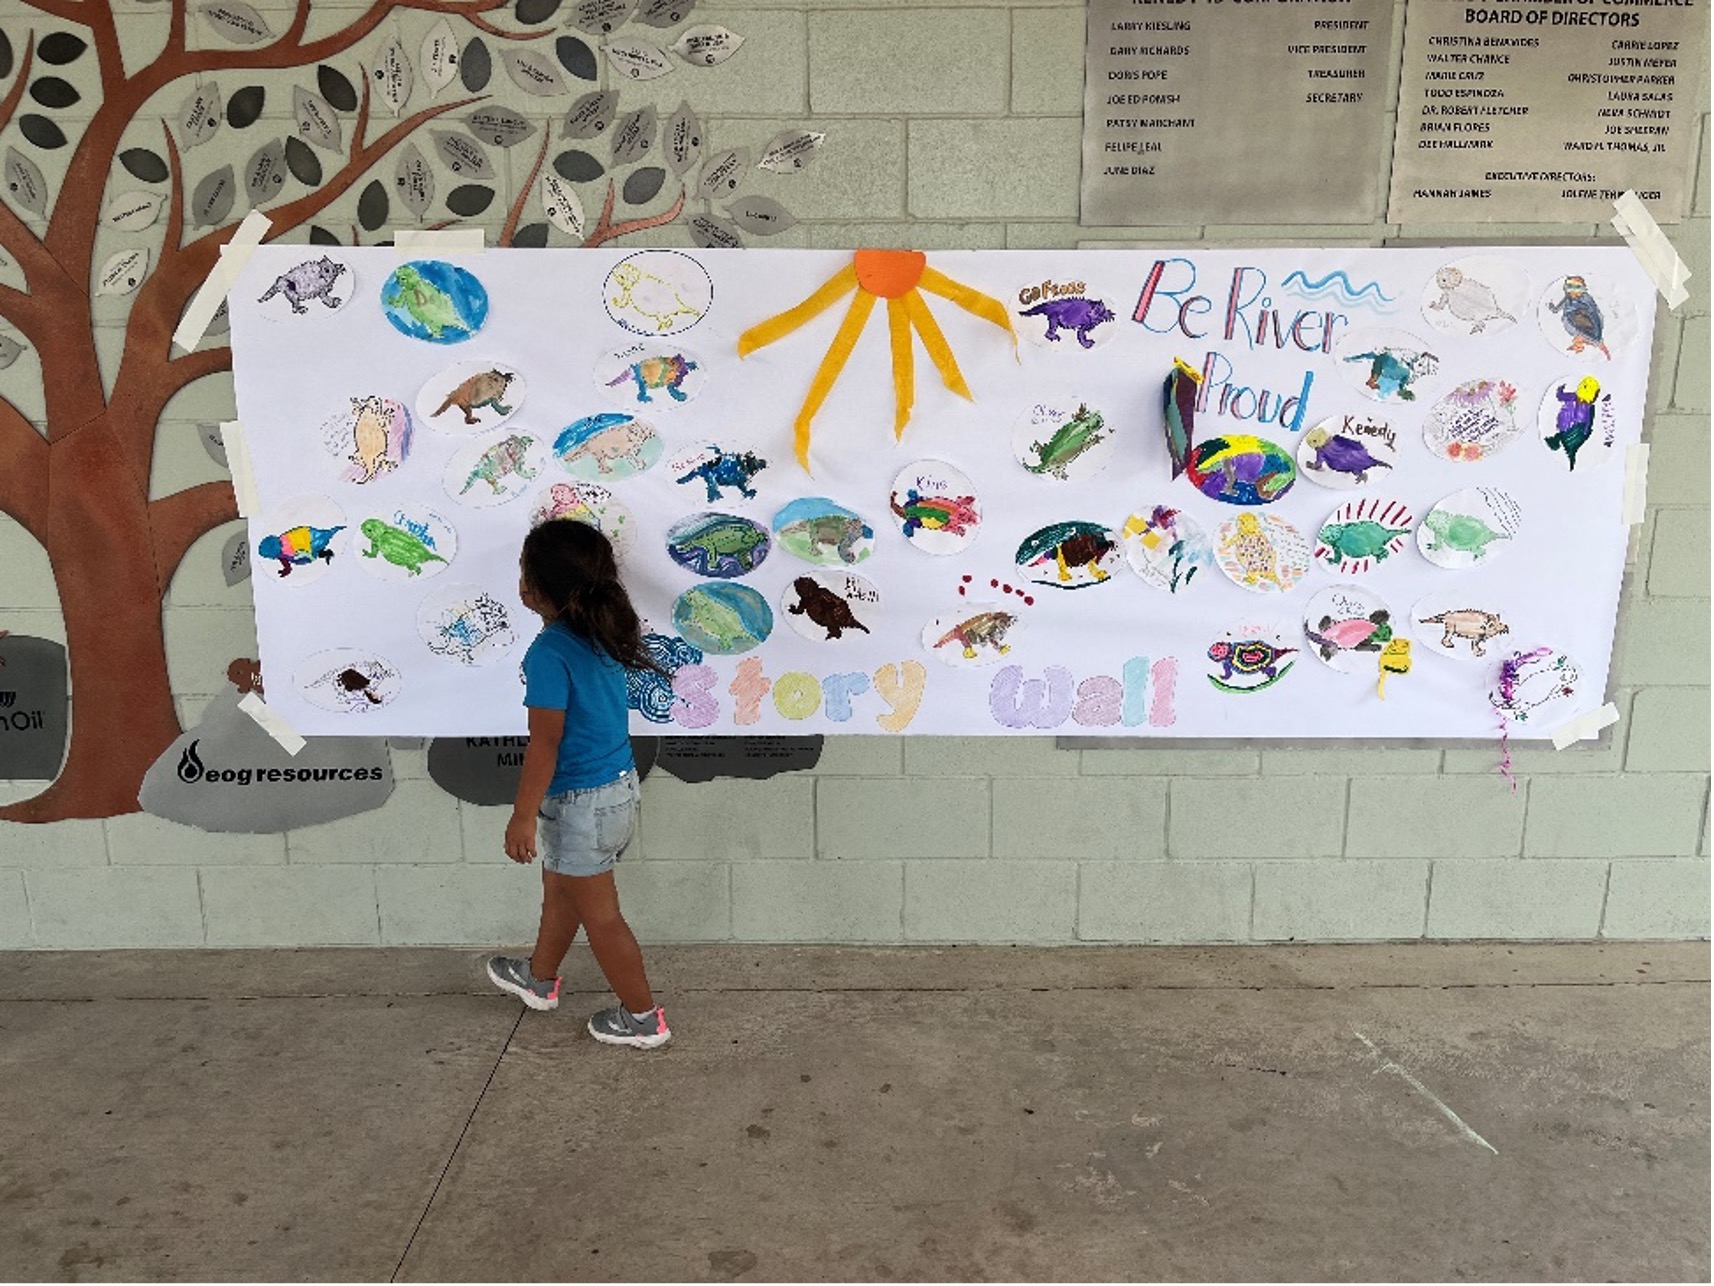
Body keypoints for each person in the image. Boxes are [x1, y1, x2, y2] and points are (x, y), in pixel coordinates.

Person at [485, 520, 670, 1049]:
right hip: (614, 792)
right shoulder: (601, 633)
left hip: (580, 805)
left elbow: (545, 744)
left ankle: (643, 1019)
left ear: (542, 586)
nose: (520, 582)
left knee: (603, 919)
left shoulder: (549, 653)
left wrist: (521, 816)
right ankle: (539, 980)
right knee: (561, 888)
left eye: (525, 572)